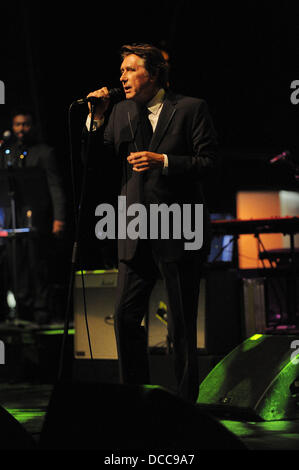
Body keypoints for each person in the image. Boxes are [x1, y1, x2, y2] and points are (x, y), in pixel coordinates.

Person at [85, 43, 218, 403]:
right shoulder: (121, 110)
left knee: (180, 324)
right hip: (133, 226)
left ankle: (186, 402)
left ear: (154, 73)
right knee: (125, 317)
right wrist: (97, 118)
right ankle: (135, 399)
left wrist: (166, 161)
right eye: (122, 70)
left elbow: (209, 163)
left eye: (130, 70)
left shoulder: (191, 108)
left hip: (178, 225)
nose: (122, 77)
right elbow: (98, 165)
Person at [0, 108, 66, 325]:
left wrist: (59, 218)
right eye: (17, 124)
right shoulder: (7, 154)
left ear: (32, 126)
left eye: (25, 124)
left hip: (37, 218)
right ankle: (22, 306)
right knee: (15, 262)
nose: (21, 129)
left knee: (37, 263)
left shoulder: (44, 153)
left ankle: (42, 308)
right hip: (12, 218)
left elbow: (55, 186)